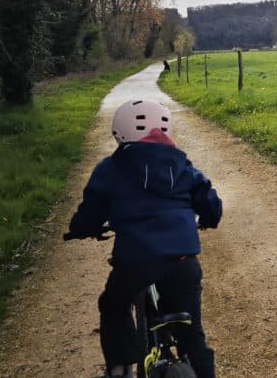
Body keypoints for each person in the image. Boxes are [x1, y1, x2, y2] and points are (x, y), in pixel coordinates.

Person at [68, 99, 222, 378]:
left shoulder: (111, 168)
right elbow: (210, 202)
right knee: (191, 330)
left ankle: (118, 368)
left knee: (113, 305)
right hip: (183, 260)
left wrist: (81, 228)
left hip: (134, 261)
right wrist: (209, 219)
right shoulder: (183, 165)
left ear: (121, 131)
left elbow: (91, 210)